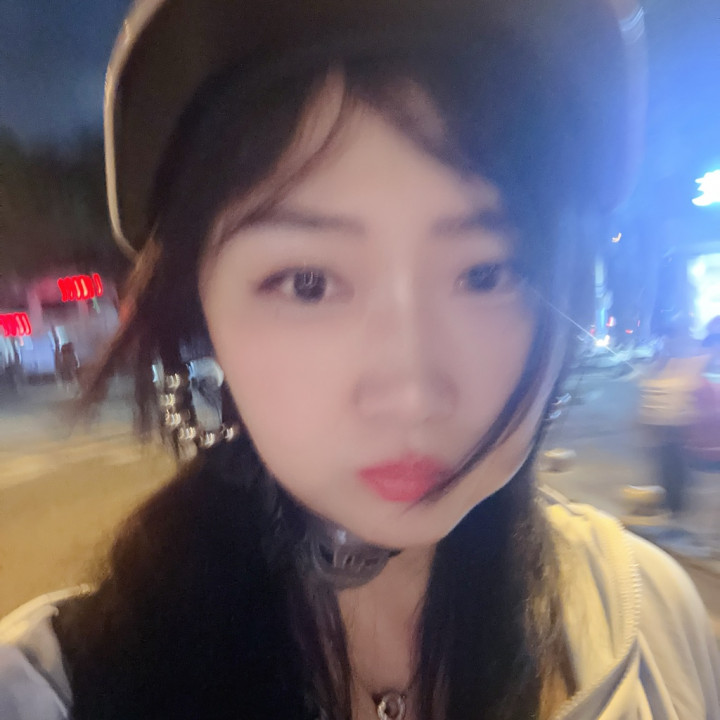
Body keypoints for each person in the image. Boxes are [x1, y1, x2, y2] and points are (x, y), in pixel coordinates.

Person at [1, 1, 719, 719]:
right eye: (308, 283)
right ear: (200, 315)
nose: (411, 392)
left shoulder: (654, 627)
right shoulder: (62, 687)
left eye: (487, 273)